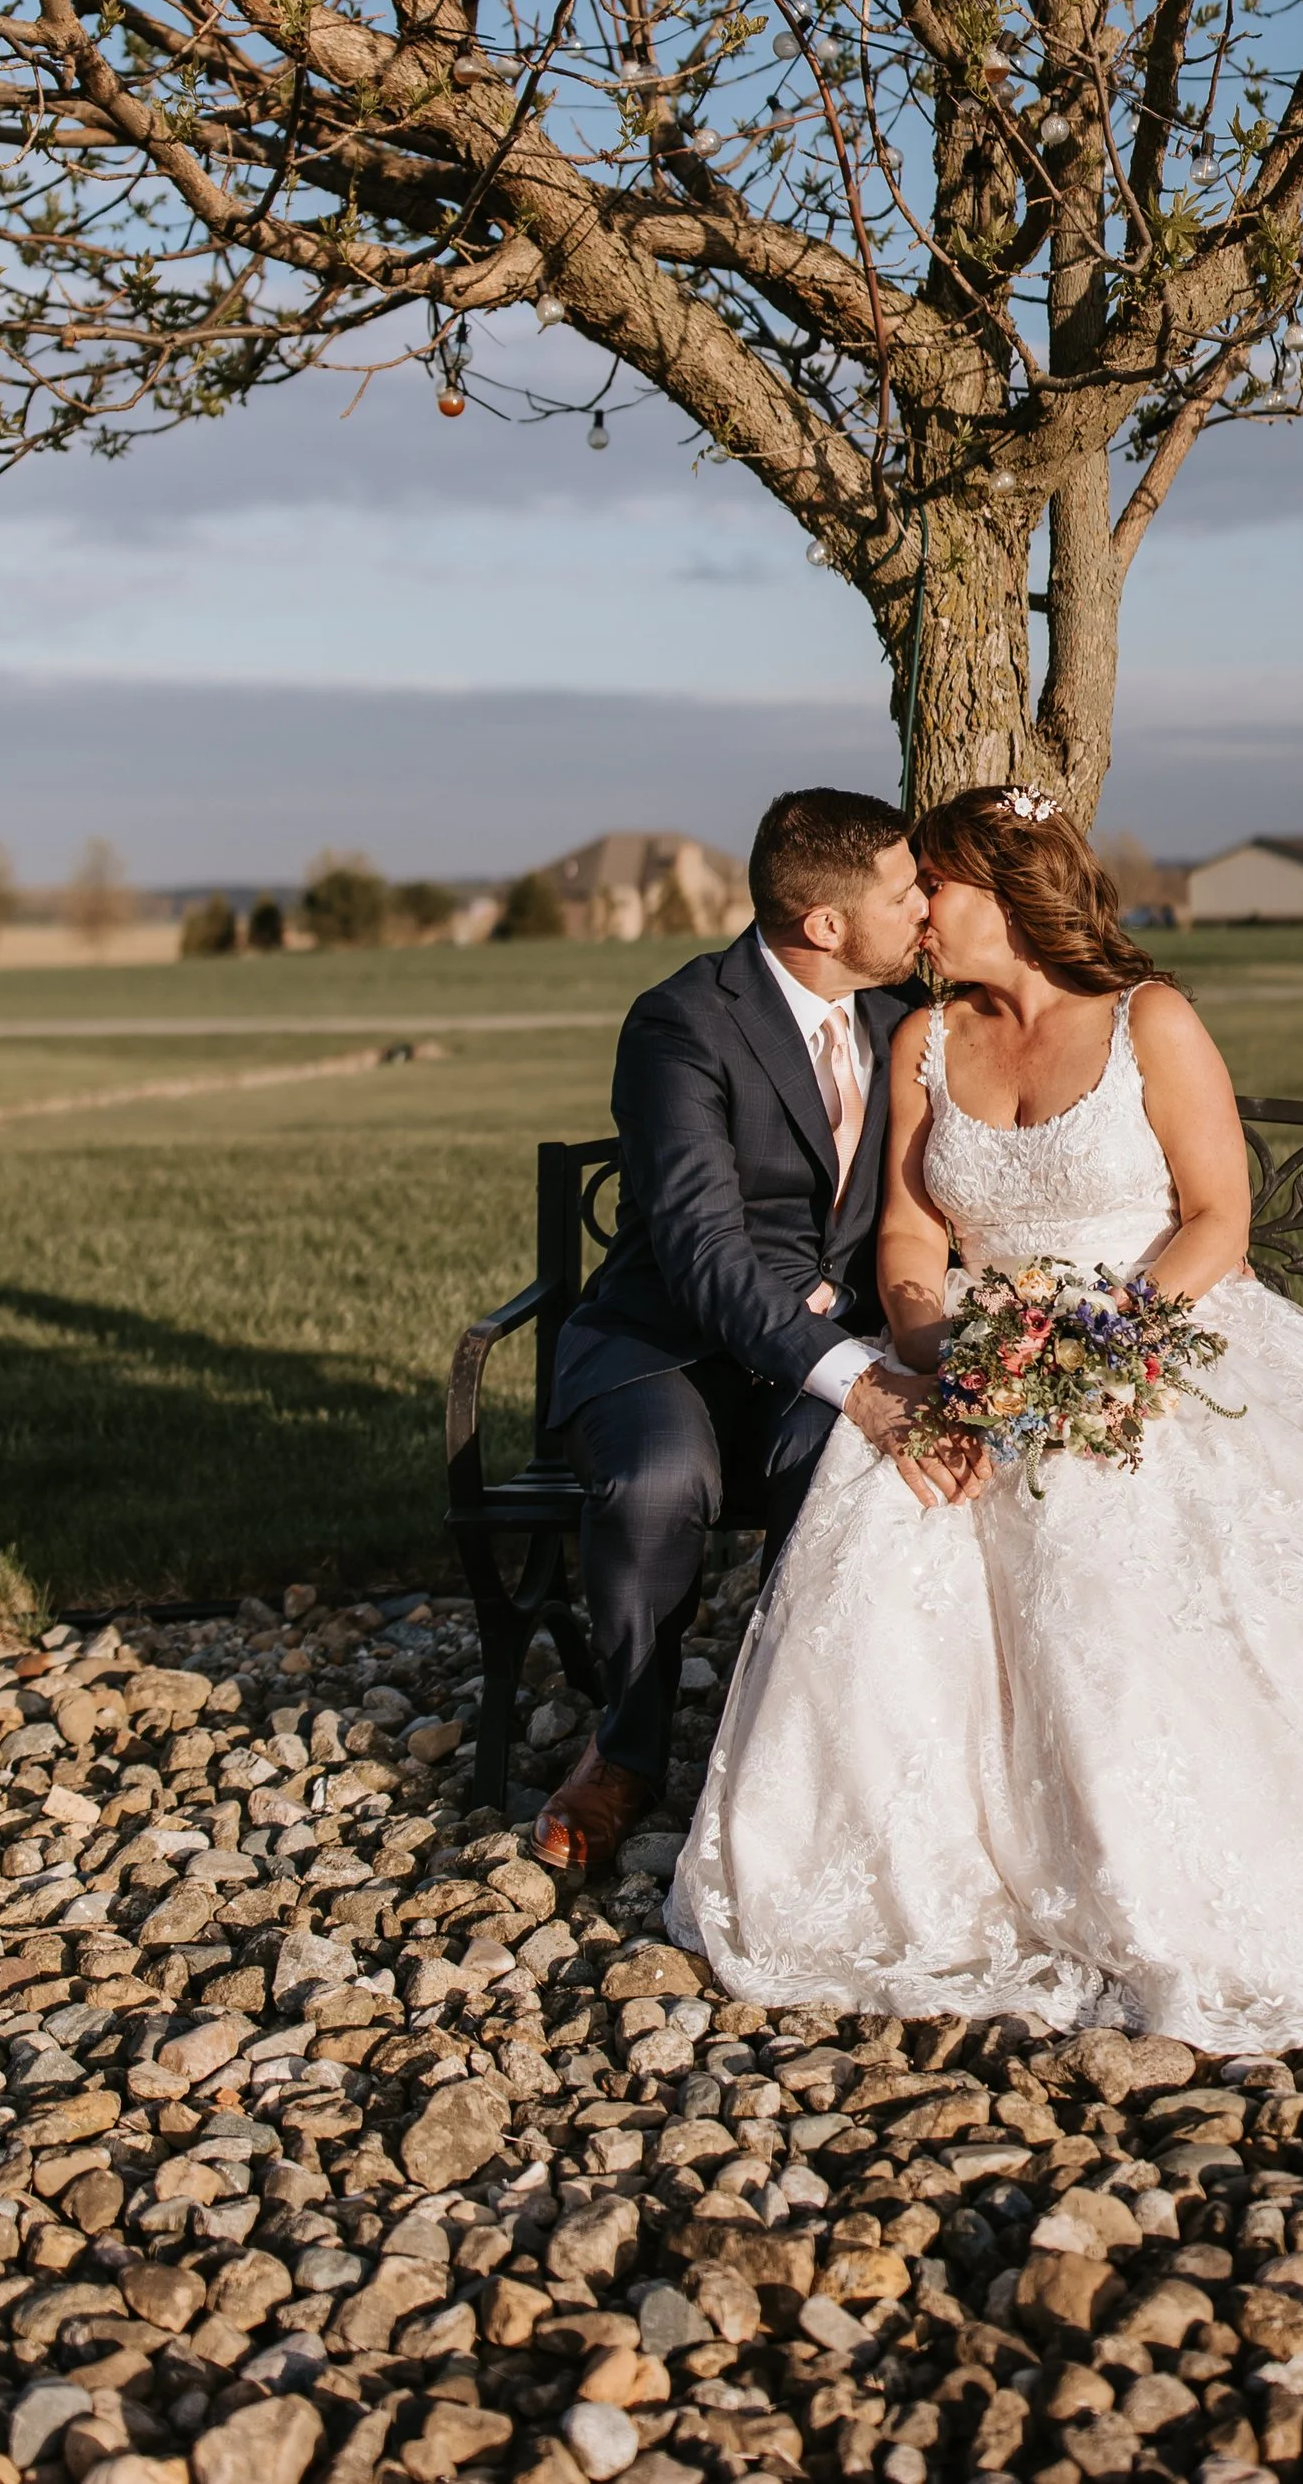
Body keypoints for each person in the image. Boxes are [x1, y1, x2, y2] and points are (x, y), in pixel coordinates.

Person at [671, 782, 1303, 2042]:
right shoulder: (920, 1040)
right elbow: (912, 1233)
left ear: (1010, 898)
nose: (918, 912)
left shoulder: (1152, 1020)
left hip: (1154, 1337)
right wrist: (940, 1360)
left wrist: (1094, 1350)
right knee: (911, 1510)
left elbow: (1216, 1222)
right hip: (979, 1353)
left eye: (940, 887)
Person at [533, 786, 972, 1876]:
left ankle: (780, 1761)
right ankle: (623, 1752)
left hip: (828, 1353)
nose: (927, 907)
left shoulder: (903, 1019)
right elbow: (698, 1252)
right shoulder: (682, 1023)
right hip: (665, 1342)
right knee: (653, 1483)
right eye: (906, 888)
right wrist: (859, 1381)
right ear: (826, 925)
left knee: (845, 1474)